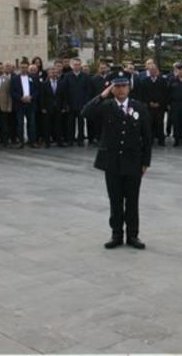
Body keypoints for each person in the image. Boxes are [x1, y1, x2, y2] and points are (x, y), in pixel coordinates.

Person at [82, 71, 152, 250]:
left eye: (124, 86)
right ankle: (116, 234)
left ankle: (133, 235)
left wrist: (146, 162)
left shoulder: (139, 107)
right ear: (113, 89)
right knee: (115, 201)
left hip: (133, 161)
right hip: (112, 161)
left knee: (132, 201)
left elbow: (147, 137)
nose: (121, 90)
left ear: (129, 88)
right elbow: (85, 112)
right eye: (117, 86)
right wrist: (103, 94)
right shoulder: (106, 106)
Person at [11, 59, 38, 148]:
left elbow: (37, 90)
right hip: (20, 104)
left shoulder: (33, 77)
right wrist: (20, 98)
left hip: (31, 104)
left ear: (28, 68)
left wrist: (31, 97)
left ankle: (32, 141)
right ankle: (20, 141)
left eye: (26, 67)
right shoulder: (15, 78)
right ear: (19, 68)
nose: (24, 69)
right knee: (20, 124)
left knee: (32, 123)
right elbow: (12, 91)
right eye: (22, 67)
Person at [39, 66, 69, 148]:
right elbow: (42, 97)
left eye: (55, 72)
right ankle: (47, 142)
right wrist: (43, 108)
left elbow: (64, 97)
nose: (54, 74)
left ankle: (59, 141)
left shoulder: (61, 83)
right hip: (48, 108)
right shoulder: (44, 84)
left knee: (58, 125)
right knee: (47, 126)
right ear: (48, 74)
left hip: (59, 108)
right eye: (52, 72)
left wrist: (64, 107)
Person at [64, 58, 90, 147]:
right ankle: (70, 140)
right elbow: (65, 91)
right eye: (75, 64)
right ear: (71, 66)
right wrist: (66, 103)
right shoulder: (67, 76)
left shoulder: (85, 76)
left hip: (81, 104)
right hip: (70, 104)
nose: (77, 66)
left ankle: (80, 140)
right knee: (70, 123)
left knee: (81, 123)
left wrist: (86, 103)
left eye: (78, 64)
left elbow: (87, 91)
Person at [142, 63, 168, 147]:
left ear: (157, 71)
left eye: (154, 70)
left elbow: (165, 93)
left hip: (160, 106)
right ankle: (150, 139)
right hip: (149, 106)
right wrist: (149, 102)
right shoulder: (145, 81)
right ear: (149, 71)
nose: (153, 72)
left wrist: (159, 103)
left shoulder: (162, 80)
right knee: (149, 123)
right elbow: (143, 94)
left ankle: (161, 140)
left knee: (160, 123)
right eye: (151, 70)